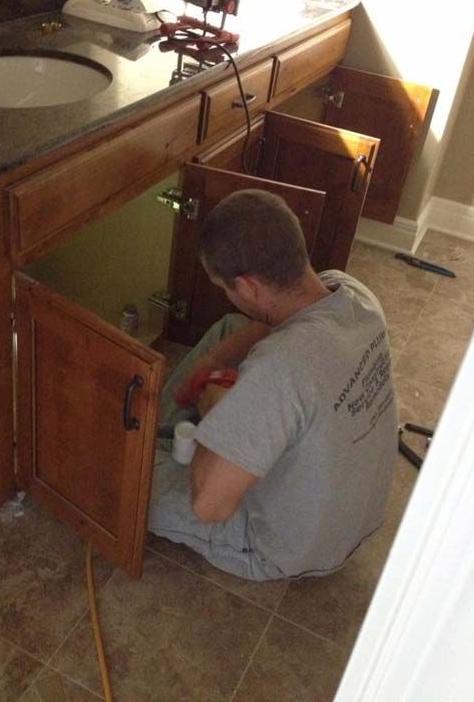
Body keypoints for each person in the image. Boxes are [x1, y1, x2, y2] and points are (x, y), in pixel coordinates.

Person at [149, 189, 398, 581]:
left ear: (247, 287)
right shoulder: (352, 294)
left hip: (284, 547)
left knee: (126, 471)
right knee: (232, 330)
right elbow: (265, 325)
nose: (228, 296)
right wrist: (212, 364)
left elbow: (208, 507)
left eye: (226, 288)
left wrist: (217, 411)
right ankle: (164, 430)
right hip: (352, 516)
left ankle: (158, 445)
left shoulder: (283, 367)